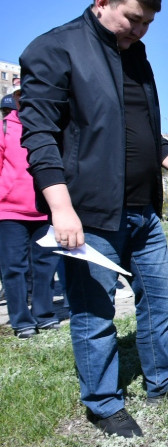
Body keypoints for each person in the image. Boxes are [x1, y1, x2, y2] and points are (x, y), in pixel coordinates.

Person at [20, 0, 168, 438]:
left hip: (142, 210)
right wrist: (62, 207)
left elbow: (141, 126)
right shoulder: (55, 49)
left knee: (163, 294)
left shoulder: (136, 54)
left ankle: (162, 380)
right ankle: (104, 403)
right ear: (102, 2)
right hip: (89, 213)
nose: (141, 29)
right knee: (94, 312)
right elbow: (39, 136)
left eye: (149, 22)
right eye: (133, 18)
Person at [0, 79, 61, 339]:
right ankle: (21, 321)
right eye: (19, 96)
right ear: (15, 100)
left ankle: (44, 315)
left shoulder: (51, 128)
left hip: (45, 210)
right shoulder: (4, 128)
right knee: (14, 268)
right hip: (9, 212)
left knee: (45, 266)